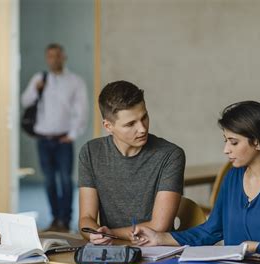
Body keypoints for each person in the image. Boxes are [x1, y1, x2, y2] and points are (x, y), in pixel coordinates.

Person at [132, 100, 260, 258]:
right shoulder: (233, 177)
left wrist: (251, 246)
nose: (226, 149)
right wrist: (159, 237)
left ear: (257, 142)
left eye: (233, 142)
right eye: (225, 140)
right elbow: (211, 231)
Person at [78, 80, 185, 243]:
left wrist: (108, 233)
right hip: (113, 252)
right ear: (108, 126)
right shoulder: (90, 152)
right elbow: (86, 217)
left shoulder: (171, 155)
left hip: (157, 252)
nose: (142, 128)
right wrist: (94, 234)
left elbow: (158, 227)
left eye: (144, 117)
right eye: (130, 124)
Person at [21, 43, 88, 232]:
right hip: (43, 139)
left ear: (64, 57)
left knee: (66, 180)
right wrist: (36, 88)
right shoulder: (39, 78)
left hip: (63, 139)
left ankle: (65, 220)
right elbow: (25, 101)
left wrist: (73, 134)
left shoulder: (75, 81)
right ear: (46, 58)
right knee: (49, 180)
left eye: (57, 55)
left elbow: (81, 110)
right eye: (50, 56)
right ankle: (54, 218)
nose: (54, 59)